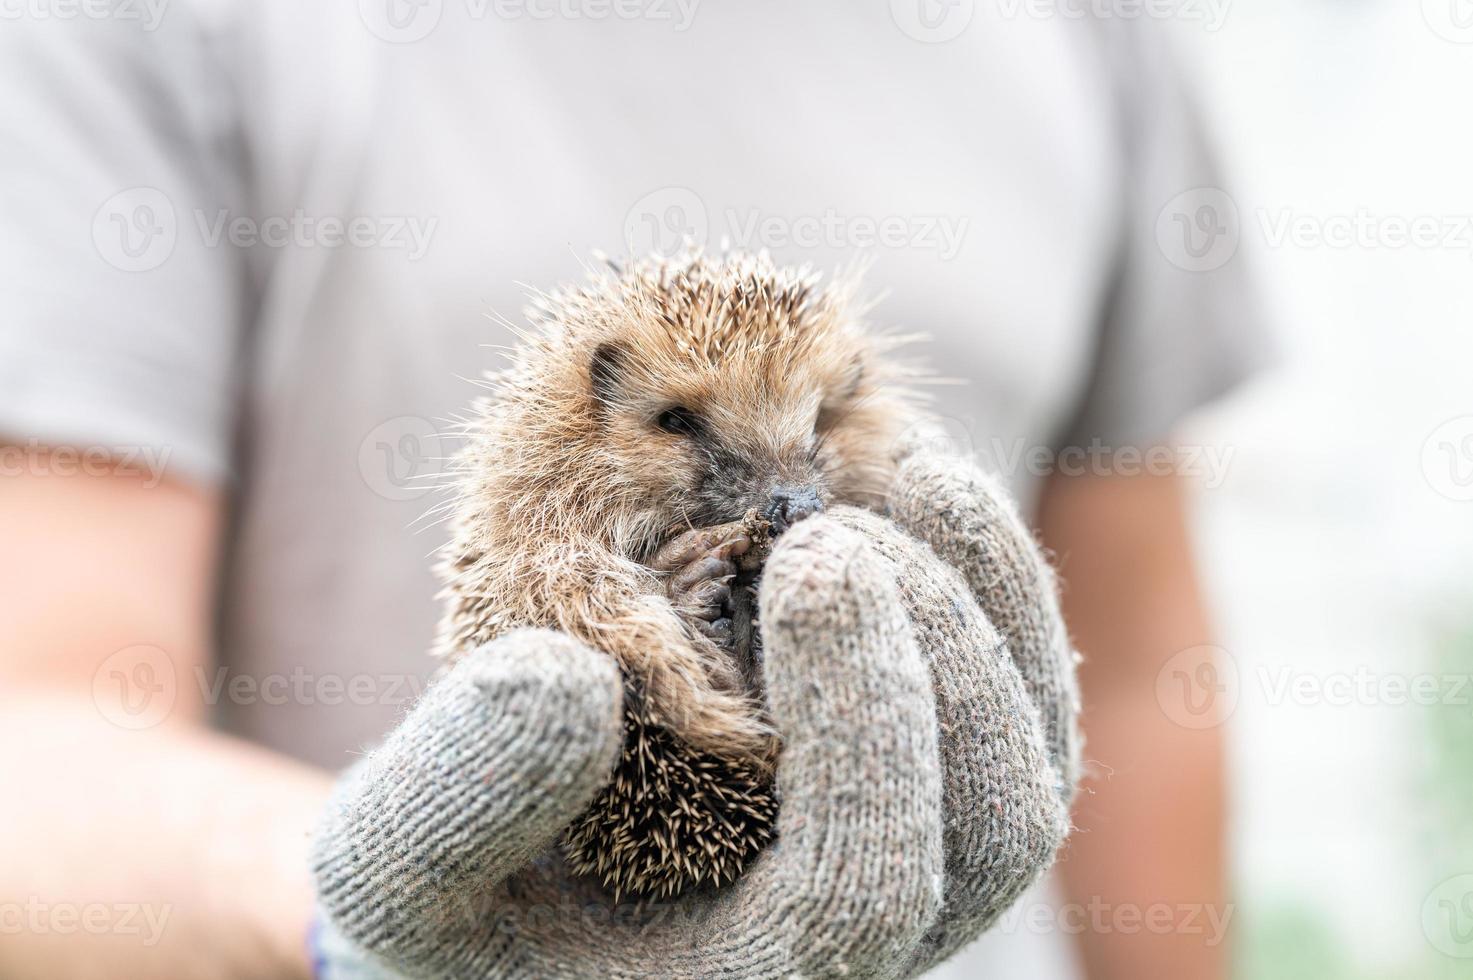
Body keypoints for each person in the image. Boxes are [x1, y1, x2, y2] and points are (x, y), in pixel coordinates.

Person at [0, 3, 1263, 977]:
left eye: (812, 423)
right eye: (685, 425)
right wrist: (378, 913)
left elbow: (1146, 667)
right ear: (605, 400)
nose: (775, 479)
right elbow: (43, 723)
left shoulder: (1097, 27)